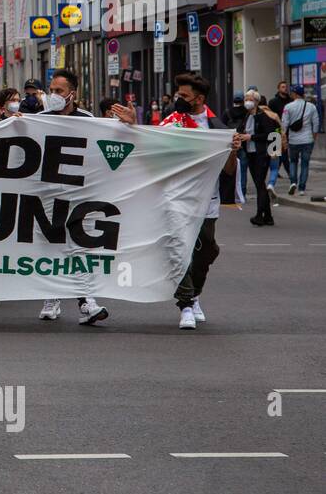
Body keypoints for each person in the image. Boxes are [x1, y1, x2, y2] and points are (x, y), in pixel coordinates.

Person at [112, 73, 240, 329]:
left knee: (206, 250)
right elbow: (151, 148)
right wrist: (134, 125)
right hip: (175, 199)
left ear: (200, 99)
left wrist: (233, 150)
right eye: (178, 94)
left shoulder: (216, 127)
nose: (178, 100)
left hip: (206, 201)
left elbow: (228, 170)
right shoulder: (173, 121)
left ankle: (194, 294)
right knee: (181, 250)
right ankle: (186, 305)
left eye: (184, 96)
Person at [36, 68, 109, 326]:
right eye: (51, 90)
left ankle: (87, 301)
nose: (53, 95)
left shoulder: (86, 119)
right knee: (53, 246)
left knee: (80, 248)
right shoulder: (40, 119)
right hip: (48, 193)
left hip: (80, 194)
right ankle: (52, 296)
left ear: (72, 94)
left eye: (59, 91)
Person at [237, 89, 281, 225]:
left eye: (249, 99)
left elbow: (270, 134)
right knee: (259, 184)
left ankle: (259, 216)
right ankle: (268, 216)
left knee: (260, 184)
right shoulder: (247, 115)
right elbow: (242, 129)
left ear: (256, 101)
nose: (247, 102)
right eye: (245, 99)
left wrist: (251, 137)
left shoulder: (263, 116)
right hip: (250, 153)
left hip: (261, 154)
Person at [282, 85, 319, 197]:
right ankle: (302, 189)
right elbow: (316, 124)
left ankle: (293, 182)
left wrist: (283, 139)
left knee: (293, 162)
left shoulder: (288, 107)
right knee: (305, 164)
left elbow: (284, 125)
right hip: (307, 139)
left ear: (294, 94)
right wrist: (313, 137)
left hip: (293, 140)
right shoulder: (311, 106)